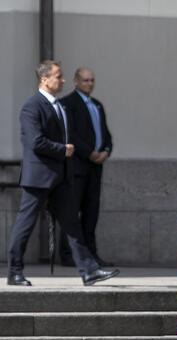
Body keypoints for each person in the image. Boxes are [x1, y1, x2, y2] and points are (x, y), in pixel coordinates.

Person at [6, 60, 118, 287]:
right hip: (39, 177)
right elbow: (35, 141)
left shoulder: (60, 106)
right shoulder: (32, 106)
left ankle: (88, 271)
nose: (63, 80)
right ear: (44, 79)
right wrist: (63, 150)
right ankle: (14, 271)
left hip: (60, 178)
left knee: (72, 225)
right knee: (25, 224)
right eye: (58, 76)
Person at [58, 67, 113, 267]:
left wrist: (106, 150)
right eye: (85, 80)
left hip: (95, 167)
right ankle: (68, 254)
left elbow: (106, 134)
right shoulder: (67, 104)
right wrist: (88, 152)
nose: (89, 84)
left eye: (92, 80)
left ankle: (91, 254)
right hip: (77, 166)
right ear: (76, 81)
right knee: (72, 211)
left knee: (91, 212)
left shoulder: (97, 105)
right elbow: (70, 134)